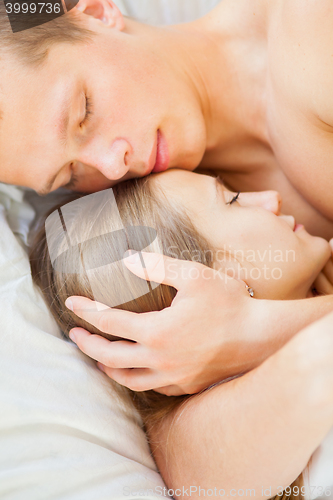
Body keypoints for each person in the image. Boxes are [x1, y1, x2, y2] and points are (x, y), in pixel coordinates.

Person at [1, 0, 333, 391]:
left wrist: (258, 334)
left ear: (95, 14)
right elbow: (183, 447)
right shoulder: (178, 236)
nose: (113, 167)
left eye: (84, 112)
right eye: (69, 173)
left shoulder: (312, 31)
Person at [30, 169, 333, 498]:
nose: (269, 198)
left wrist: (257, 325)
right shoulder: (236, 441)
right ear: (210, 281)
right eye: (232, 200)